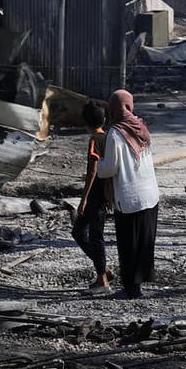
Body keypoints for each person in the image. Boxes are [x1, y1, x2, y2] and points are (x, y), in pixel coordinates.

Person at [98, 90, 160, 299]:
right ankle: (141, 281)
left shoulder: (115, 133)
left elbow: (109, 169)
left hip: (129, 197)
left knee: (128, 243)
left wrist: (97, 163)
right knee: (144, 240)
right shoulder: (141, 126)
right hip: (150, 194)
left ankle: (132, 288)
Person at [72, 103, 113, 292]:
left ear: (84, 123)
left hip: (95, 195)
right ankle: (103, 268)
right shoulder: (109, 138)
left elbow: (92, 170)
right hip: (104, 193)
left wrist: (84, 199)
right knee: (80, 232)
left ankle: (102, 280)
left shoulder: (94, 141)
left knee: (94, 236)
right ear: (104, 120)